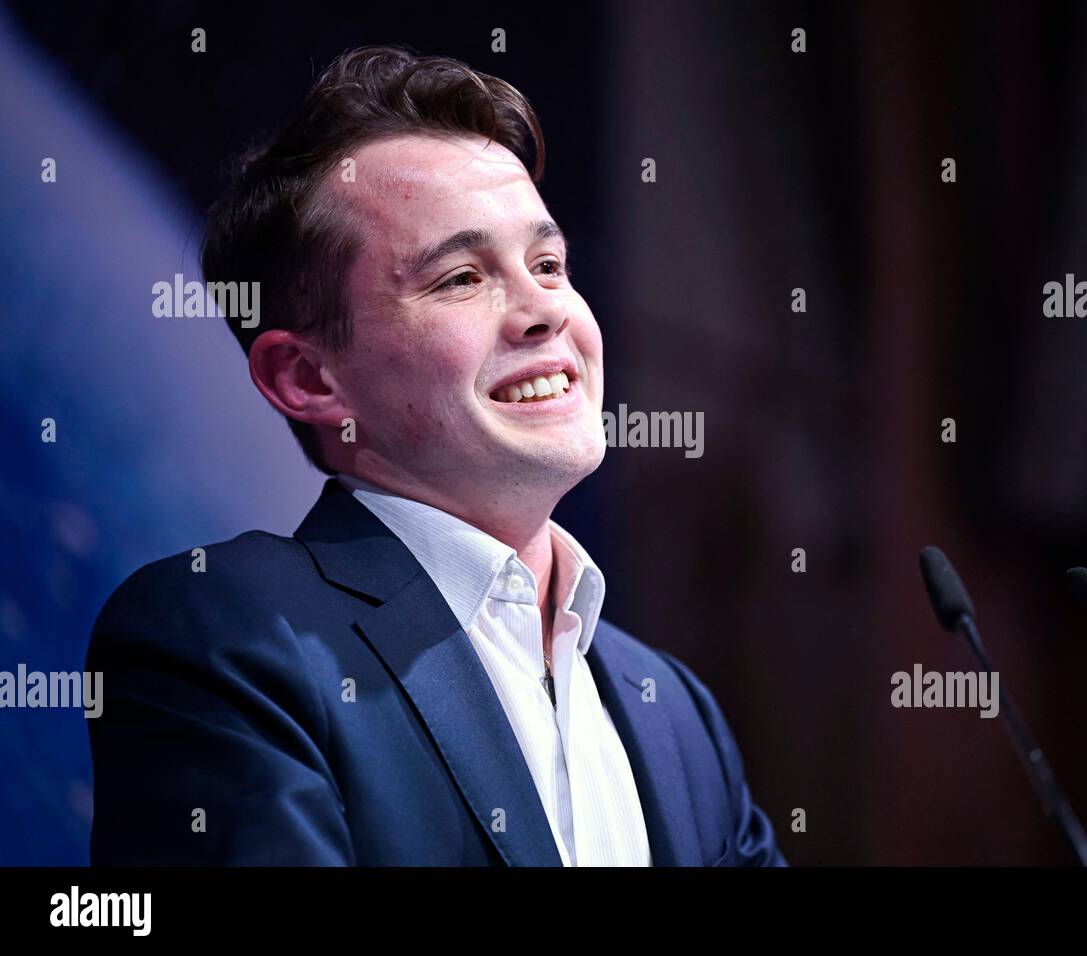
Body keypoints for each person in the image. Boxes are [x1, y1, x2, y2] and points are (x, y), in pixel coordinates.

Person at [86, 45, 786, 867]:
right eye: (460, 278)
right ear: (307, 377)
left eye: (549, 264)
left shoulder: (677, 715)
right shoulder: (225, 642)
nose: (541, 311)